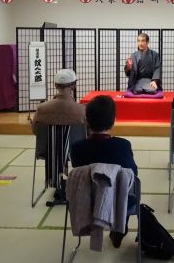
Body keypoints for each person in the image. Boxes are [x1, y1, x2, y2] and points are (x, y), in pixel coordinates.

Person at [70, 95, 138, 248]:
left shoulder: (77, 148)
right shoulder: (123, 145)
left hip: (86, 201)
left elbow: (78, 171)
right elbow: (133, 173)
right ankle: (119, 229)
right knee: (126, 185)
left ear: (87, 121)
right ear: (113, 120)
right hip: (119, 201)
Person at [31, 69, 86, 204]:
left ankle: (57, 182)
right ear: (73, 86)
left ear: (55, 85)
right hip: (76, 152)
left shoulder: (42, 109)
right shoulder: (81, 110)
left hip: (49, 151)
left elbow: (35, 131)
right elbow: (88, 134)